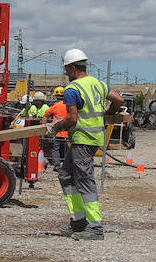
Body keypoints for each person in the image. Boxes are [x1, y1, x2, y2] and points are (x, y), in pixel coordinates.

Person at [49, 49, 124, 241]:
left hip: (83, 138)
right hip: (93, 138)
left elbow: (71, 119)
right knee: (66, 176)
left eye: (66, 69)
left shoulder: (72, 89)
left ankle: (94, 227)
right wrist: (109, 111)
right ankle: (79, 221)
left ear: (73, 68)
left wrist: (55, 127)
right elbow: (119, 100)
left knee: (84, 180)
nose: (66, 73)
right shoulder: (97, 84)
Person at [20, 91, 49, 188]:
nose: (36, 103)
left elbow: (34, 117)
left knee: (40, 146)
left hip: (40, 129)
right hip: (35, 129)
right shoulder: (34, 108)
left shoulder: (42, 108)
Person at [42, 86, 68, 172]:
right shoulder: (69, 105)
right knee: (65, 150)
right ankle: (65, 166)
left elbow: (46, 115)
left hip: (56, 132)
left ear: (56, 96)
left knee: (55, 149)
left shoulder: (56, 106)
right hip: (67, 132)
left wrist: (43, 127)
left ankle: (57, 166)